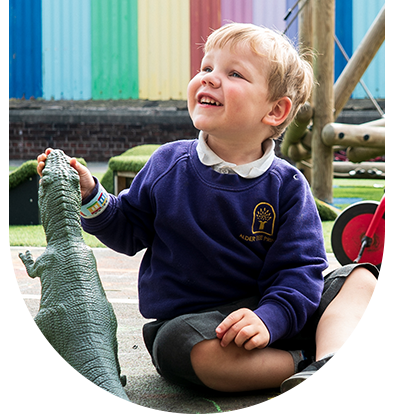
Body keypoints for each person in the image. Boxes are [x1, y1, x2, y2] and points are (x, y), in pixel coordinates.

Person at [37, 23, 384, 414]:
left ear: (275, 110)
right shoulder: (168, 164)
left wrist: (269, 319)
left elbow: (298, 273)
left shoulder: (287, 187)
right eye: (206, 68)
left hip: (279, 312)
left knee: (360, 278)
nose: (210, 79)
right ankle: (310, 364)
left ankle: (338, 359)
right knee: (187, 351)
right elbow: (128, 226)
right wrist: (91, 196)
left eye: (233, 73)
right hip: (200, 326)